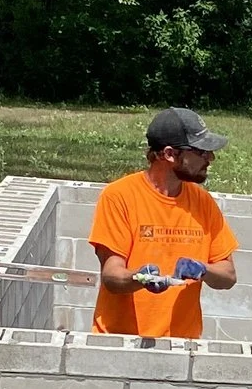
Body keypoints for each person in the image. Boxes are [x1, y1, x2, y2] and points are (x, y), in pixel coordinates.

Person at [89, 108, 242, 339]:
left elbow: (228, 275)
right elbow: (112, 276)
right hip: (121, 343)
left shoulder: (203, 202)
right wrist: (140, 278)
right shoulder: (119, 196)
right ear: (169, 154)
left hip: (181, 346)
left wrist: (203, 269)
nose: (210, 158)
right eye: (201, 151)